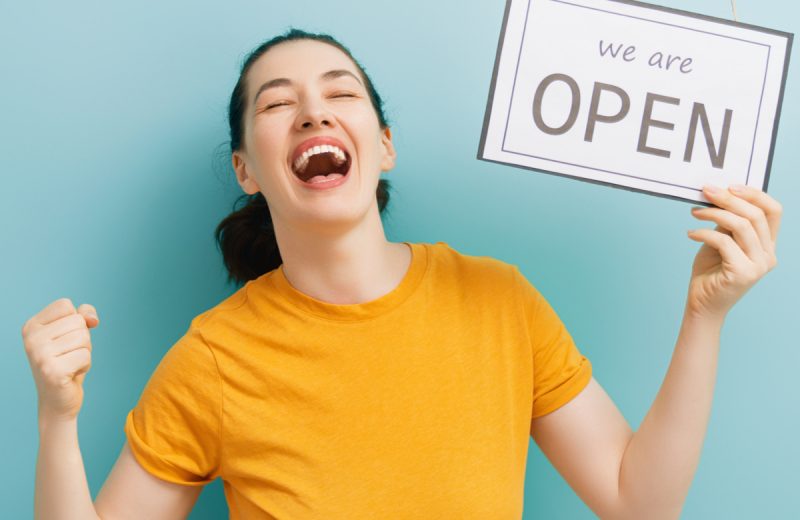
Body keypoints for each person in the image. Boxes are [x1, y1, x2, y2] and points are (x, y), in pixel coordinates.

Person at [22, 28, 783, 519]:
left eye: (340, 93)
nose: (314, 113)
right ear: (246, 169)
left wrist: (705, 314)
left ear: (382, 144)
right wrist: (57, 420)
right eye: (279, 104)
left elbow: (639, 503)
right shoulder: (215, 360)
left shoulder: (498, 302)